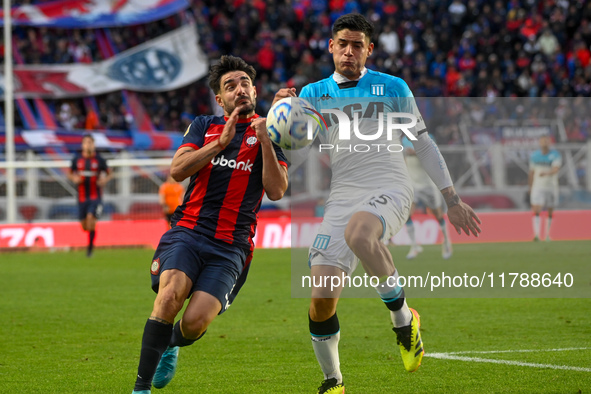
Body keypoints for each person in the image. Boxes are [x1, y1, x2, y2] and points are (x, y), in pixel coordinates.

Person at [298, 14, 481, 394]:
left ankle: (403, 321)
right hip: (342, 195)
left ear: (369, 49)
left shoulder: (393, 87)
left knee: (360, 235)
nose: (349, 51)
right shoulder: (312, 94)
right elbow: (296, 153)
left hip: (389, 185)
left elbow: (423, 144)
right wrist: (283, 117)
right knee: (320, 299)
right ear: (331, 46)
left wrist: (452, 198)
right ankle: (333, 382)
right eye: (343, 44)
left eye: (357, 45)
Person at [131, 55, 289, 394]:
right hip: (189, 232)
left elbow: (277, 191)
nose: (239, 89)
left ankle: (172, 343)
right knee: (170, 295)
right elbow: (178, 170)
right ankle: (140, 388)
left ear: (255, 90)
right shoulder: (205, 125)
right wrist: (217, 144)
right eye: (230, 86)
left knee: (194, 322)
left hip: (231, 246)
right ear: (220, 99)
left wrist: (264, 139)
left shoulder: (273, 133)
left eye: (244, 83)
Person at [400, 137, 452, 260]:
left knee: (438, 215)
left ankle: (446, 241)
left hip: (428, 185)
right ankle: (414, 246)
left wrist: (417, 153)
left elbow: (432, 156)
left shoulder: (427, 138)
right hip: (413, 185)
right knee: (407, 214)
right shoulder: (402, 140)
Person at [67, 134, 112, 257]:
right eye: (86, 142)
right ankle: (90, 241)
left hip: (95, 196)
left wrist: (104, 180)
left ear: (93, 145)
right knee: (85, 226)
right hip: (81, 197)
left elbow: (109, 173)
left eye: (90, 142)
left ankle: (90, 250)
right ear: (82, 145)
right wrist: (74, 178)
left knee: (91, 218)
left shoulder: (99, 160)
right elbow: (69, 173)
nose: (88, 145)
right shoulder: (77, 159)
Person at [528, 135, 561, 241]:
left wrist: (546, 173)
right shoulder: (534, 156)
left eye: (546, 141)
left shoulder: (555, 155)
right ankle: (536, 234)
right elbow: (531, 172)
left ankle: (547, 235)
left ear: (550, 142)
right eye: (542, 141)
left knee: (550, 210)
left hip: (551, 186)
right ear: (539, 143)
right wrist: (530, 186)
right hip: (538, 186)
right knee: (536, 208)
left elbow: (556, 169)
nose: (544, 143)